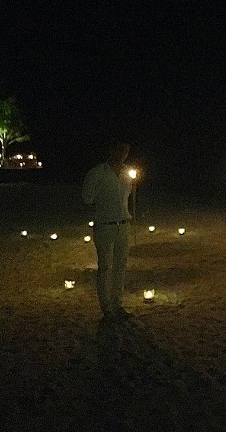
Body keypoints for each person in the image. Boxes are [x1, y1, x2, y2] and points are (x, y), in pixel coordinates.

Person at [82, 137, 134, 321]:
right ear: (111, 150)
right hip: (105, 225)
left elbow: (127, 197)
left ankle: (117, 304)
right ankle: (107, 308)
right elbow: (87, 198)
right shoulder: (97, 173)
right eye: (120, 150)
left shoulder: (128, 173)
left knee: (120, 266)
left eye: (126, 151)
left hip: (123, 224)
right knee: (105, 266)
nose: (123, 154)